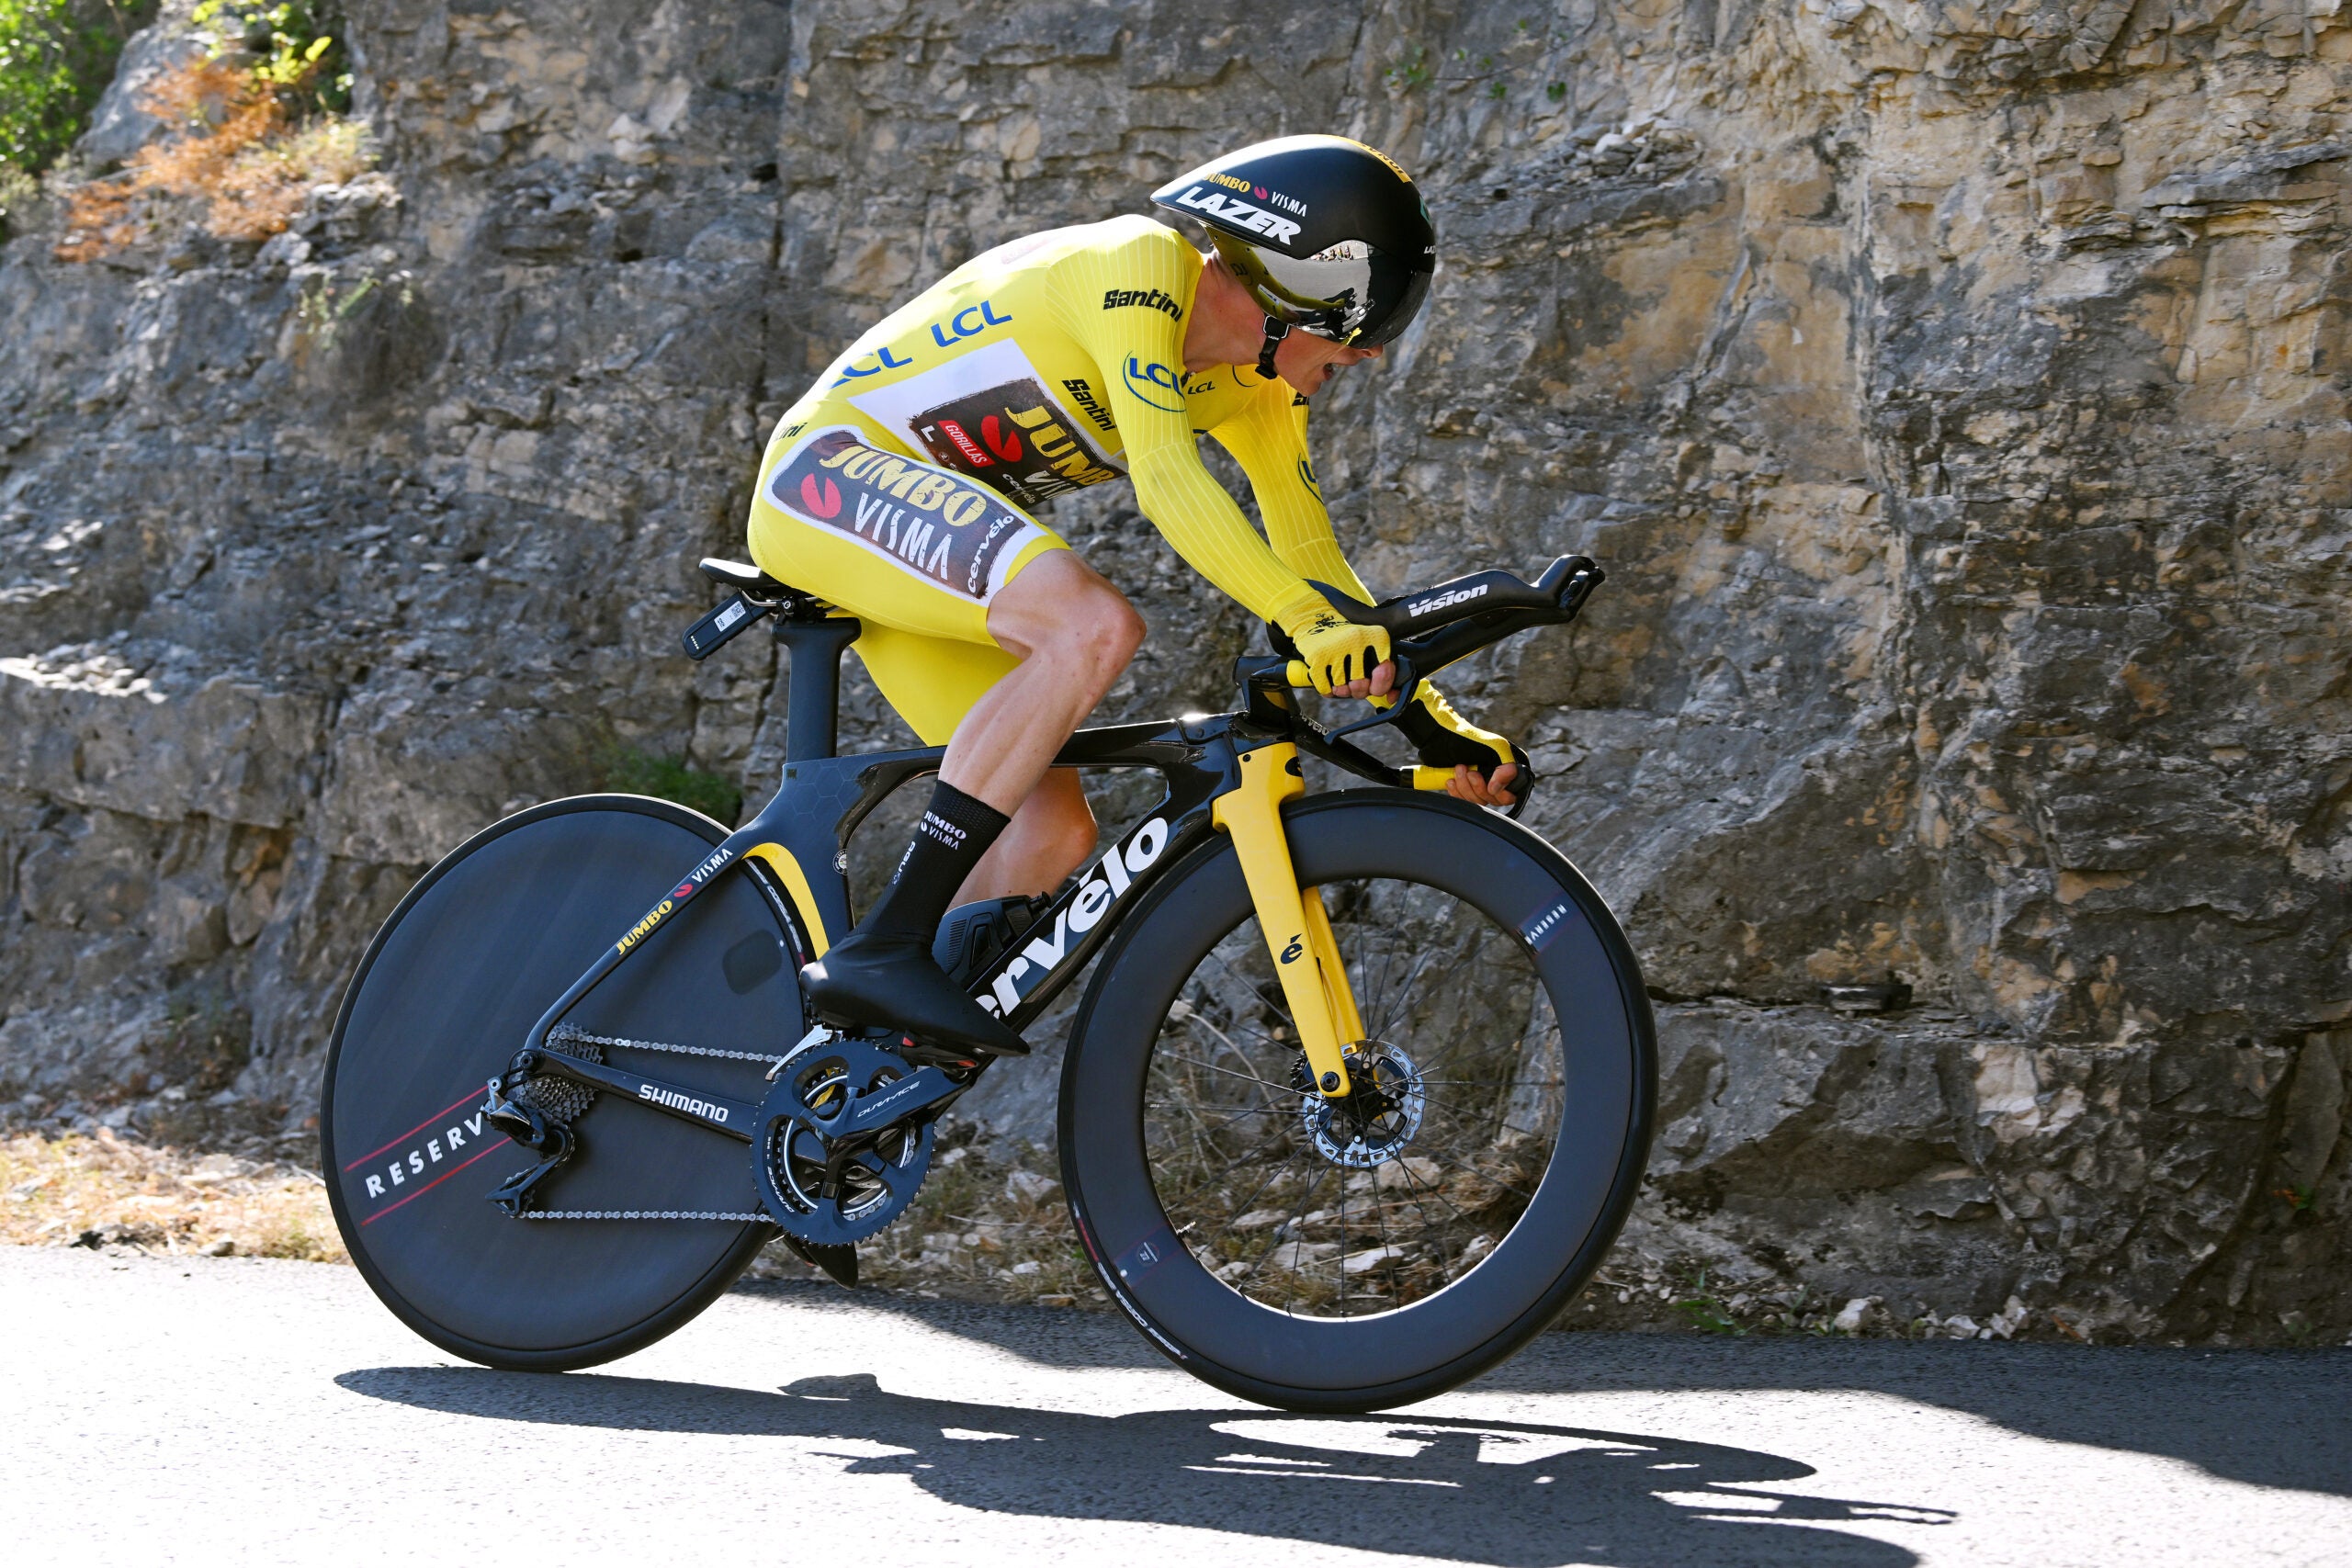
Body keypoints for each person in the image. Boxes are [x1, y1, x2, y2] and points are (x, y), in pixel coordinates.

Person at [743, 134, 1522, 1060]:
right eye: (1366, 319)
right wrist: (1308, 623)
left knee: (1052, 831)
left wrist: (1433, 727)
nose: (1374, 353)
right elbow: (1166, 477)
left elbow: (1311, 559)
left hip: (917, 541)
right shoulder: (1140, 268)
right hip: (829, 475)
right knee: (1092, 626)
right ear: (1298, 280)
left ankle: (859, 1071)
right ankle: (883, 949)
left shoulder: (1254, 389)